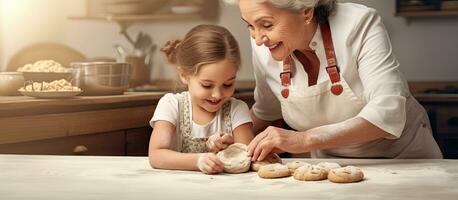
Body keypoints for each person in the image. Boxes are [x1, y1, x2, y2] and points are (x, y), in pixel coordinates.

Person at [225, 0, 442, 160]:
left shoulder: (358, 23)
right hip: (330, 166)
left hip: (403, 159)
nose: (258, 38)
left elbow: (389, 111)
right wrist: (230, 138)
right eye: (250, 26)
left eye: (267, 25)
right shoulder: (265, 45)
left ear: (306, 12)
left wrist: (303, 140)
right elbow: (267, 112)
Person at [148, 24, 254, 174]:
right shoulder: (171, 105)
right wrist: (198, 160)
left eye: (227, 84)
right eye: (207, 85)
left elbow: (248, 157)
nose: (217, 94)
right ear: (184, 75)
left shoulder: (237, 109)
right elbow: (156, 155)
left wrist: (230, 147)